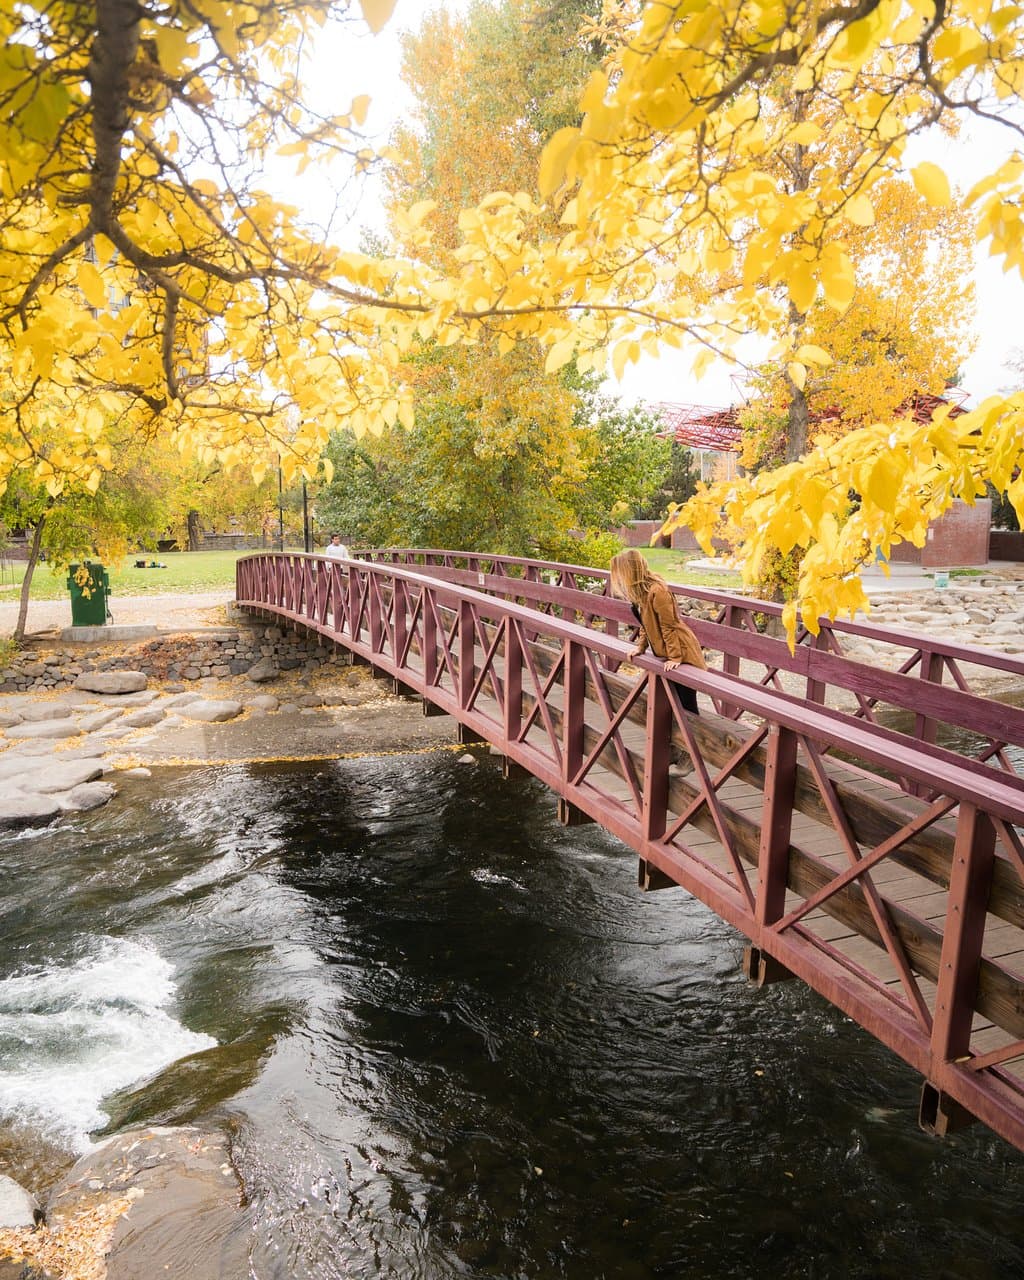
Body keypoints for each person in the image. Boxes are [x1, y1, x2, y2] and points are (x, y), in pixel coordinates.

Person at [608, 548, 706, 716]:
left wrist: (675, 657)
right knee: (671, 704)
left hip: (683, 652)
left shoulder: (658, 591)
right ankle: (678, 740)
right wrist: (640, 648)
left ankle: (693, 741)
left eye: (621, 573)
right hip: (668, 652)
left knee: (687, 705)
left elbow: (669, 626)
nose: (619, 579)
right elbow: (646, 624)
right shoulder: (643, 592)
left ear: (630, 572)